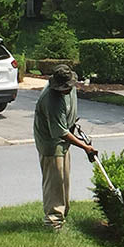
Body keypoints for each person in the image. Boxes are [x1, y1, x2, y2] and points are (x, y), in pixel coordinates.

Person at [34, 64, 97, 231]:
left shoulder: (70, 88)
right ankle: (53, 222)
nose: (67, 90)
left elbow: (68, 117)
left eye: (69, 87)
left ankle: (62, 216)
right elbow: (60, 132)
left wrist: (75, 128)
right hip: (50, 144)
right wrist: (85, 147)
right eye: (63, 88)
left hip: (63, 141)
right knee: (54, 184)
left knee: (63, 181)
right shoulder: (51, 99)